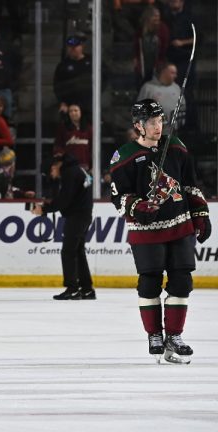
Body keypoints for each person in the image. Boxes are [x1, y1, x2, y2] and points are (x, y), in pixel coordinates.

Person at [109, 99, 210, 364]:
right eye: (152, 122)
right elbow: (118, 196)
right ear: (138, 126)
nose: (158, 126)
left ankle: (174, 335)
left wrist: (200, 213)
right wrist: (137, 207)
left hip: (180, 225)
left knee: (182, 281)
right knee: (150, 280)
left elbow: (190, 184)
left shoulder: (175, 146)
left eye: (160, 121)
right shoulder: (124, 156)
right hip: (146, 231)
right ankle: (154, 334)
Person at [31, 153, 95, 300]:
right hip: (83, 214)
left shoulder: (70, 173)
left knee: (68, 252)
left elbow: (65, 200)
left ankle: (72, 288)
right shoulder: (76, 169)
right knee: (78, 251)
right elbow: (67, 197)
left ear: (54, 166)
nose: (53, 176)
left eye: (51, 173)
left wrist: (45, 209)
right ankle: (86, 288)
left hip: (77, 216)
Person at [136, 62, 183, 133]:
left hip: (173, 131)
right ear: (164, 72)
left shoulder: (176, 88)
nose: (175, 76)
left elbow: (183, 105)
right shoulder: (148, 87)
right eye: (172, 73)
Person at [53, 35, 92, 114]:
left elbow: (104, 78)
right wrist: (62, 102)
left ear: (82, 46)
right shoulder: (63, 65)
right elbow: (57, 86)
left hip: (90, 104)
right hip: (70, 106)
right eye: (70, 47)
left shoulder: (92, 61)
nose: (73, 49)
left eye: (76, 46)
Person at [53, 103, 92, 170]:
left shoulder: (89, 128)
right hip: (69, 166)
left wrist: (93, 166)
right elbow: (58, 146)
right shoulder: (63, 128)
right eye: (70, 111)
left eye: (76, 110)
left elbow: (93, 148)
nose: (73, 113)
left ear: (81, 112)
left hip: (86, 166)